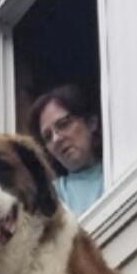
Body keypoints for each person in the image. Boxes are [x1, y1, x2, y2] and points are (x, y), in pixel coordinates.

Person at [29, 83, 104, 217]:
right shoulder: (53, 197)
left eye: (64, 124)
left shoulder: (118, 168)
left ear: (91, 122)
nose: (56, 139)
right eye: (47, 137)